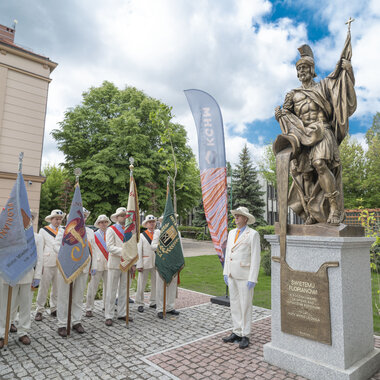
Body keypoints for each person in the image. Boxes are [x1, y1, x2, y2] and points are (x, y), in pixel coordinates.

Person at [274, 39, 356, 225]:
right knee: (306, 175)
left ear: (312, 70)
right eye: (298, 69)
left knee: (319, 163)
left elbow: (341, 89)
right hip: (303, 135)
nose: (301, 72)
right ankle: (312, 211)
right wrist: (279, 115)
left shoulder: (324, 86)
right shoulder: (292, 94)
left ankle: (334, 207)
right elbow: (287, 115)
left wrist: (348, 70)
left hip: (322, 130)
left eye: (304, 68)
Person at [0, 211, 43, 348]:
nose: (26, 220)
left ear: (31, 220)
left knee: (25, 305)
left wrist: (37, 276)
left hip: (27, 276)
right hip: (9, 276)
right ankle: (1, 333)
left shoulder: (36, 237)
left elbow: (40, 258)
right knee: (4, 306)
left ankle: (23, 331)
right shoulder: (7, 236)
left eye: (29, 218)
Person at [54, 208, 96, 337]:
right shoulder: (63, 230)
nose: (81, 217)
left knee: (78, 296)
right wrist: (67, 257)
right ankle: (62, 323)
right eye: (78, 215)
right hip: (67, 267)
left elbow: (93, 250)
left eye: (83, 215)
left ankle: (76, 321)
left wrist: (93, 266)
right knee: (63, 296)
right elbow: (56, 246)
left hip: (82, 268)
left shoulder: (89, 232)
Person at [222, 206, 261, 349]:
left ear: (246, 218)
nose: (236, 217)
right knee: (235, 304)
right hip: (232, 274)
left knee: (245, 305)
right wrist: (225, 272)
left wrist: (253, 278)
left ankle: (245, 334)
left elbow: (256, 258)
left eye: (239, 215)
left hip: (245, 277)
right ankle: (236, 331)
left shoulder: (253, 234)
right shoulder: (232, 233)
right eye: (235, 215)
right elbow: (228, 254)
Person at [104, 207, 133, 326]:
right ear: (116, 217)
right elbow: (109, 247)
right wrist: (124, 252)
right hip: (115, 263)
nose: (123, 217)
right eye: (121, 215)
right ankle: (109, 315)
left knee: (124, 290)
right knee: (111, 290)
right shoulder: (111, 229)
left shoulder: (130, 230)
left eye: (125, 215)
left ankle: (122, 313)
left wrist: (133, 262)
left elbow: (133, 247)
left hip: (127, 263)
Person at [35, 209, 65, 321]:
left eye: (60, 219)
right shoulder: (43, 231)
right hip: (47, 262)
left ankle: (54, 308)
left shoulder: (63, 230)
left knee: (57, 288)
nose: (58, 221)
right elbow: (40, 248)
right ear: (51, 219)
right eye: (56, 219)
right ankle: (39, 309)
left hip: (59, 262)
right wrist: (40, 265)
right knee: (44, 287)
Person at [155, 215, 180, 319]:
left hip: (173, 262)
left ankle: (170, 307)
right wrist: (162, 247)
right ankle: (160, 309)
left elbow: (180, 248)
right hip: (162, 262)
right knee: (160, 286)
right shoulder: (158, 232)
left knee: (172, 285)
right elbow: (153, 245)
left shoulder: (177, 232)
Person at [85, 214, 111, 317]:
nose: (103, 224)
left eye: (105, 222)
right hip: (97, 263)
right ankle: (89, 308)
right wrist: (91, 265)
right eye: (101, 222)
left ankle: (107, 306)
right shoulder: (94, 235)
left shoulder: (111, 233)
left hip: (109, 264)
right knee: (92, 287)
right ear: (98, 224)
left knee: (108, 287)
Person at [136, 215, 159, 313]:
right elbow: (139, 250)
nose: (152, 224)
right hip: (145, 262)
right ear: (146, 224)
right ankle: (140, 303)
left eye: (153, 222)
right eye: (150, 222)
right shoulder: (142, 235)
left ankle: (153, 301)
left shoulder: (158, 234)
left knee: (155, 283)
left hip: (156, 262)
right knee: (141, 284)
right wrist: (139, 264)